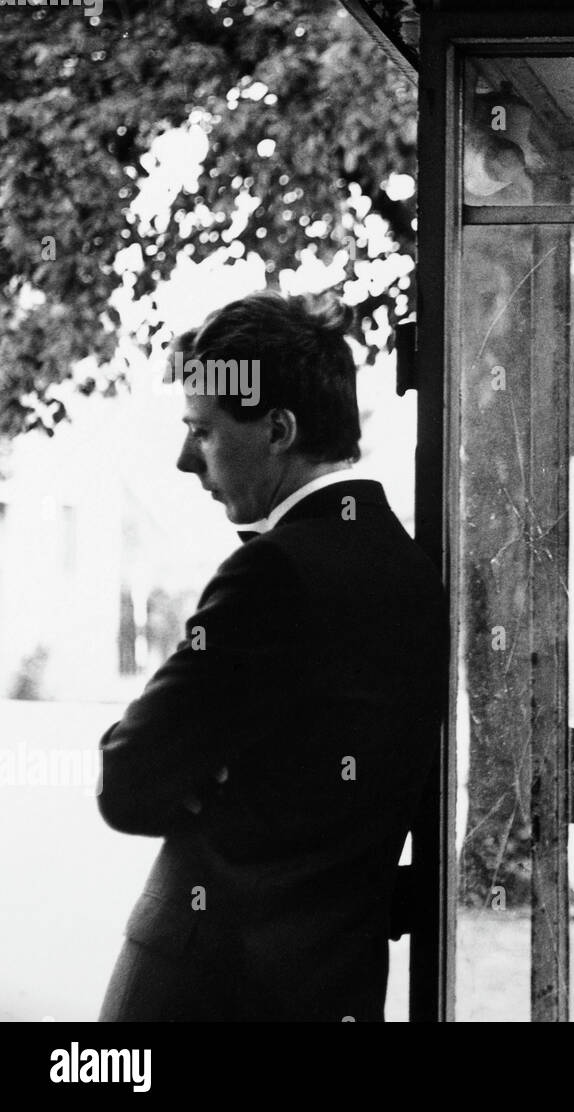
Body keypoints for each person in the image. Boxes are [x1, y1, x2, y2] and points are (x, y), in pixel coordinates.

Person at [97, 291, 438, 1022]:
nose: (186, 459)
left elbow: (127, 780)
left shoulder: (272, 572)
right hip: (333, 989)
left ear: (278, 429)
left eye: (205, 432)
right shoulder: (413, 574)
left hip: (203, 987)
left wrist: (211, 777)